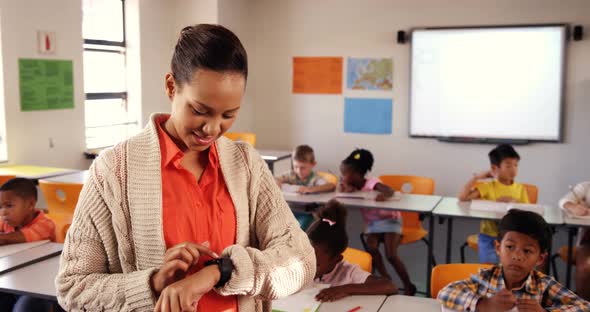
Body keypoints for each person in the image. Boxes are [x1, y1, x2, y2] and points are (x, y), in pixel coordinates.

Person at [56, 24, 315, 312]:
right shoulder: (114, 171)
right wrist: (153, 283)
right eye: (199, 110)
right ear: (170, 86)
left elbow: (301, 261)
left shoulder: (246, 165)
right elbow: (73, 288)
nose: (212, 128)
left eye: (229, 115)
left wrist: (222, 270)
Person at [438, 209, 590, 311]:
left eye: (527, 251)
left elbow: (583, 306)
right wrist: (484, 305)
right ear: (498, 248)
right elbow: (444, 294)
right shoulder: (485, 278)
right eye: (510, 247)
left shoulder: (543, 285)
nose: (517, 256)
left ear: (540, 258)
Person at [339, 148, 416, 295]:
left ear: (356, 174)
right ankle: (385, 278)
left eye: (344, 174)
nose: (342, 177)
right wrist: (345, 188)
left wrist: (384, 196)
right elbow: (342, 192)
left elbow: (390, 191)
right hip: (374, 225)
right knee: (371, 247)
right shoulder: (354, 186)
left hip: (390, 221)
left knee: (391, 255)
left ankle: (408, 284)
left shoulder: (372, 183)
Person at [308, 199, 397, 302]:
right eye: (306, 260)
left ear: (336, 259)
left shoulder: (348, 272)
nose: (309, 268)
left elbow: (390, 286)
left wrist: (344, 289)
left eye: (317, 264)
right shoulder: (300, 266)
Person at [458, 144, 530, 264]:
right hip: (489, 237)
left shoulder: (520, 189)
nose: (513, 169)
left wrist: (515, 204)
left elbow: (528, 213)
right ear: (494, 168)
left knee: (509, 271)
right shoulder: (488, 187)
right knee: (489, 271)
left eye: (516, 165)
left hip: (512, 239)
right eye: (508, 165)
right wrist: (476, 178)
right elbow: (462, 197)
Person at [0, 178, 56, 311]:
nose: (3, 212)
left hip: (39, 287)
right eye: (0, 207)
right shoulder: (7, 222)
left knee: (24, 309)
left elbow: (17, 237)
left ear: (30, 204)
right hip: (12, 280)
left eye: (9, 206)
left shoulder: (45, 224)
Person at [559, 181, 590, 301]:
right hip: (588, 242)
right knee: (585, 267)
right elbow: (563, 201)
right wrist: (573, 207)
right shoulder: (586, 187)